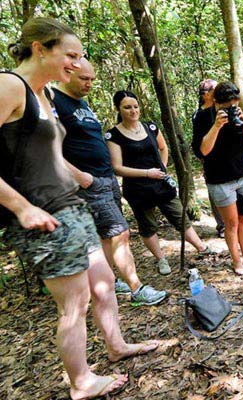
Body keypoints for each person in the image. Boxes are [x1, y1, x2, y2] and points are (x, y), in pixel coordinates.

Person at [0, 17, 158, 399]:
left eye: (80, 56)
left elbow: (50, 152)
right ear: (40, 49)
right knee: (75, 302)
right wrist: (21, 208)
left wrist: (79, 177)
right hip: (42, 215)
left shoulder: (47, 95)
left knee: (104, 287)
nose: (75, 63)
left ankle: (116, 346)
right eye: (69, 54)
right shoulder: (9, 85)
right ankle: (81, 382)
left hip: (72, 205)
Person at [54, 58, 166, 305]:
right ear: (66, 73)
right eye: (84, 79)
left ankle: (111, 281)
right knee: (120, 233)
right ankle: (137, 289)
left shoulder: (80, 103)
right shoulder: (54, 100)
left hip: (106, 179)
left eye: (92, 79)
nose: (89, 84)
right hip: (89, 183)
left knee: (107, 236)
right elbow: (46, 148)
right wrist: (81, 177)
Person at [106, 90, 213, 275]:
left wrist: (162, 169)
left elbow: (163, 148)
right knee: (148, 225)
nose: (133, 111)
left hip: (161, 184)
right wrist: (147, 173)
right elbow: (117, 167)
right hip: (137, 188)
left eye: (135, 106)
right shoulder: (113, 135)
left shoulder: (150, 127)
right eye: (127, 107)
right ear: (118, 109)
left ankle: (201, 248)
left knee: (179, 216)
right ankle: (160, 259)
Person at [191, 81, 243, 275]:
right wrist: (217, 126)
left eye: (234, 104)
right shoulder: (203, 117)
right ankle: (236, 261)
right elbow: (202, 151)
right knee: (231, 223)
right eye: (226, 106)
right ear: (216, 102)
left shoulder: (237, 113)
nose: (230, 109)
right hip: (220, 180)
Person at [192, 79, 225, 238]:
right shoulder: (199, 115)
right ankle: (222, 224)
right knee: (215, 192)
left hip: (227, 156)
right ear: (206, 94)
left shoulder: (222, 108)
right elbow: (198, 142)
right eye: (214, 89)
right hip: (211, 160)